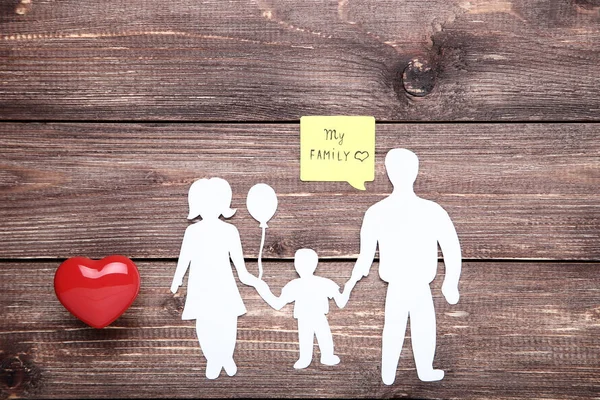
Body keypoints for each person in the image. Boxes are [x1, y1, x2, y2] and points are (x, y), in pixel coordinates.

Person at [343, 148, 462, 385]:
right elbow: (365, 257)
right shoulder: (377, 212)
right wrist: (350, 283)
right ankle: (390, 372)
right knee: (397, 327)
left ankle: (421, 370)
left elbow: (451, 247)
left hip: (418, 284)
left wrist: (451, 282)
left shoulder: (427, 210)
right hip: (398, 284)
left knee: (421, 326)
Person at [170, 177, 262, 379]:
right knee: (204, 321)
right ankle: (212, 358)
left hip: (224, 281)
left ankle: (226, 356)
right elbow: (184, 258)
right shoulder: (192, 231)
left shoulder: (230, 230)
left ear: (223, 204)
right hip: (200, 282)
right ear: (196, 205)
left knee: (228, 319)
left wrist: (250, 278)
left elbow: (239, 264)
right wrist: (177, 279)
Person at [256, 248, 348, 369]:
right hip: (304, 316)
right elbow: (278, 304)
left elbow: (340, 302)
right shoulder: (297, 285)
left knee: (322, 334)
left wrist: (349, 286)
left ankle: (324, 356)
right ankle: (308, 358)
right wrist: (262, 288)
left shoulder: (319, 283)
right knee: (308, 336)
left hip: (317, 315)